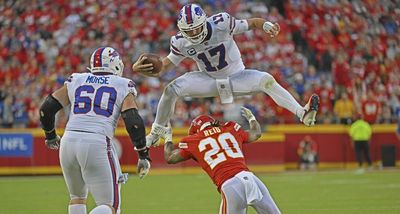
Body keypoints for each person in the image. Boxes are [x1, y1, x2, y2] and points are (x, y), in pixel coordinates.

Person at [132, 3, 320, 147]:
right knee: (171, 89)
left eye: (196, 28)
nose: (194, 33)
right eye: (188, 31)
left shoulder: (222, 23)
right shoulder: (181, 42)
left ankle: (302, 113)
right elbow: (164, 66)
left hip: (237, 77)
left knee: (267, 81)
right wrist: (139, 68)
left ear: (204, 22)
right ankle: (157, 131)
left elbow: (252, 23)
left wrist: (266, 25)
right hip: (208, 79)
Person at [39, 47, 150, 214]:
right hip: (96, 142)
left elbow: (46, 109)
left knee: (76, 197)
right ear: (116, 65)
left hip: (68, 142)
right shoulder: (122, 84)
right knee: (111, 207)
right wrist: (142, 153)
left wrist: (50, 135)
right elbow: (133, 121)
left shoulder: (77, 79)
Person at [163, 107, 281, 214]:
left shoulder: (193, 140)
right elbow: (256, 134)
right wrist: (252, 118)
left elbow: (170, 158)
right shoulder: (230, 128)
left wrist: (168, 137)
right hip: (250, 178)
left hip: (230, 184)